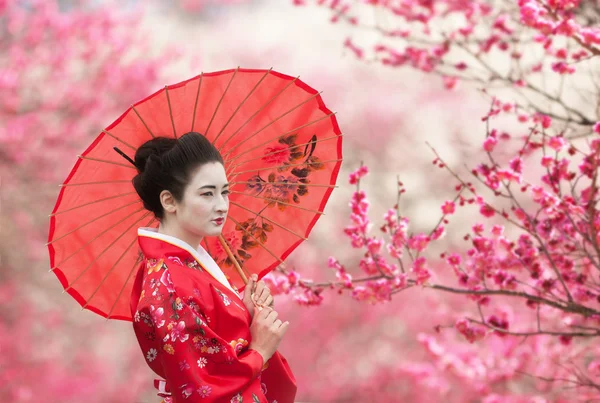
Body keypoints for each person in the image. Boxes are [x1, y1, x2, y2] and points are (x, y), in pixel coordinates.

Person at [129, 132, 297, 403]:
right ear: (169, 201)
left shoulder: (186, 265)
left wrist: (245, 313)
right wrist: (259, 351)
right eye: (207, 194)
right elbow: (199, 388)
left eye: (225, 192)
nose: (221, 206)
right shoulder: (168, 283)